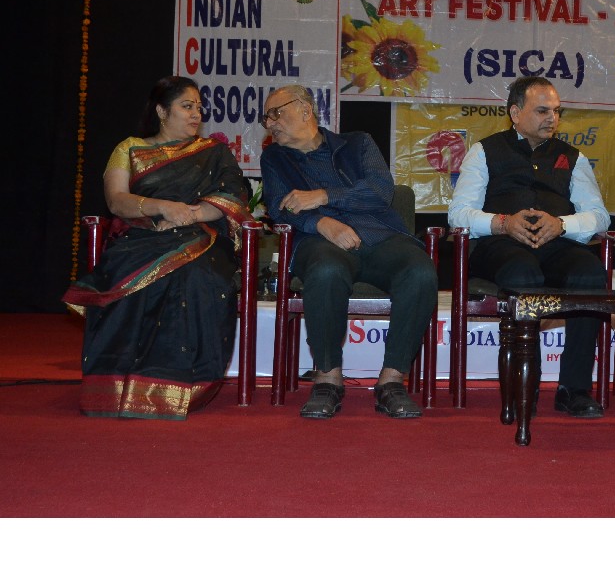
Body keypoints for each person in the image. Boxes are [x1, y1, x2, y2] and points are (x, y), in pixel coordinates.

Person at [63, 76, 253, 420]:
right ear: (162, 111)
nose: (196, 114)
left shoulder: (214, 152)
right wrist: (162, 208)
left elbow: (231, 198)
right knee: (128, 273)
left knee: (194, 275)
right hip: (141, 235)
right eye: (187, 106)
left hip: (201, 236)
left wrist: (187, 215)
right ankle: (114, 387)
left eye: (199, 107)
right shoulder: (130, 148)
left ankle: (179, 385)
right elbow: (116, 200)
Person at [259, 84, 438, 420]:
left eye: (275, 113)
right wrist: (322, 223)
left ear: (305, 110)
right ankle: (328, 379)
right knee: (326, 271)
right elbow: (280, 206)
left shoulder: (357, 143)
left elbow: (380, 190)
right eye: (266, 118)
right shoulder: (274, 158)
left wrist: (323, 196)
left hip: (379, 235)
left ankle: (391, 381)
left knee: (420, 270)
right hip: (318, 241)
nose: (270, 123)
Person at [448, 76, 611, 418]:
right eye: (542, 111)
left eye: (556, 111)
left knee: (591, 274)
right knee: (523, 273)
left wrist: (562, 224)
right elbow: (458, 214)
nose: (552, 118)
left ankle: (574, 389)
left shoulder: (572, 157)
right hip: (501, 244)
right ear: (515, 113)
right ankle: (526, 386)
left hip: (555, 242)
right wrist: (503, 222)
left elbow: (599, 217)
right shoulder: (485, 151)